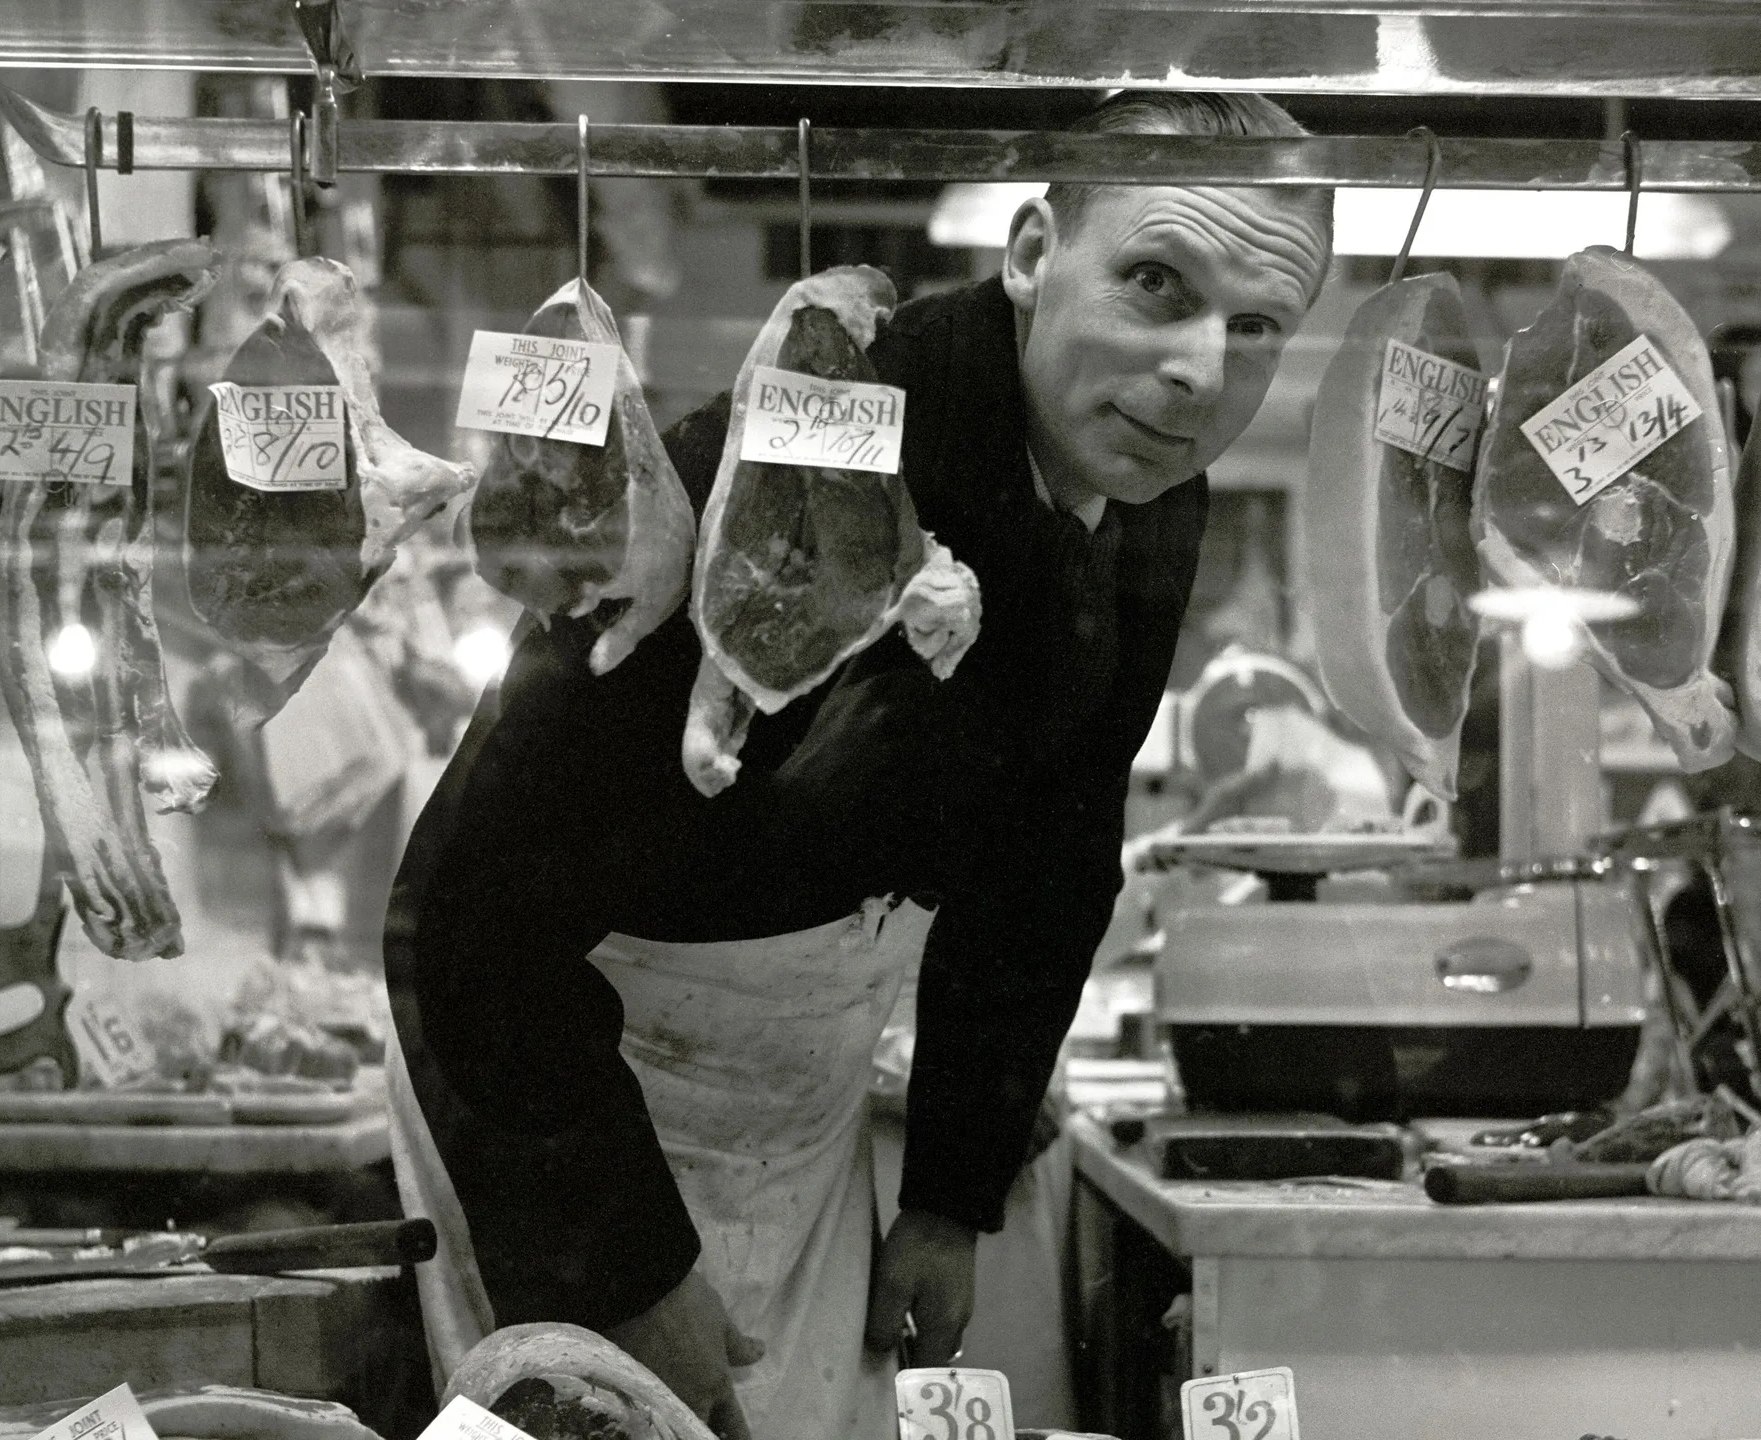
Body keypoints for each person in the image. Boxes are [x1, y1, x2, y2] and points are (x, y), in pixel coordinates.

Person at [382, 91, 1334, 1440]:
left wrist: (952, 1191)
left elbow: (1057, 852)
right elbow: (463, 927)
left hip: (801, 1110)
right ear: (1027, 253)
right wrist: (622, 1266)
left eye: (1253, 330)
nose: (1197, 369)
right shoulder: (806, 450)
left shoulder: (1149, 492)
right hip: (557, 1098)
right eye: (1153, 282)